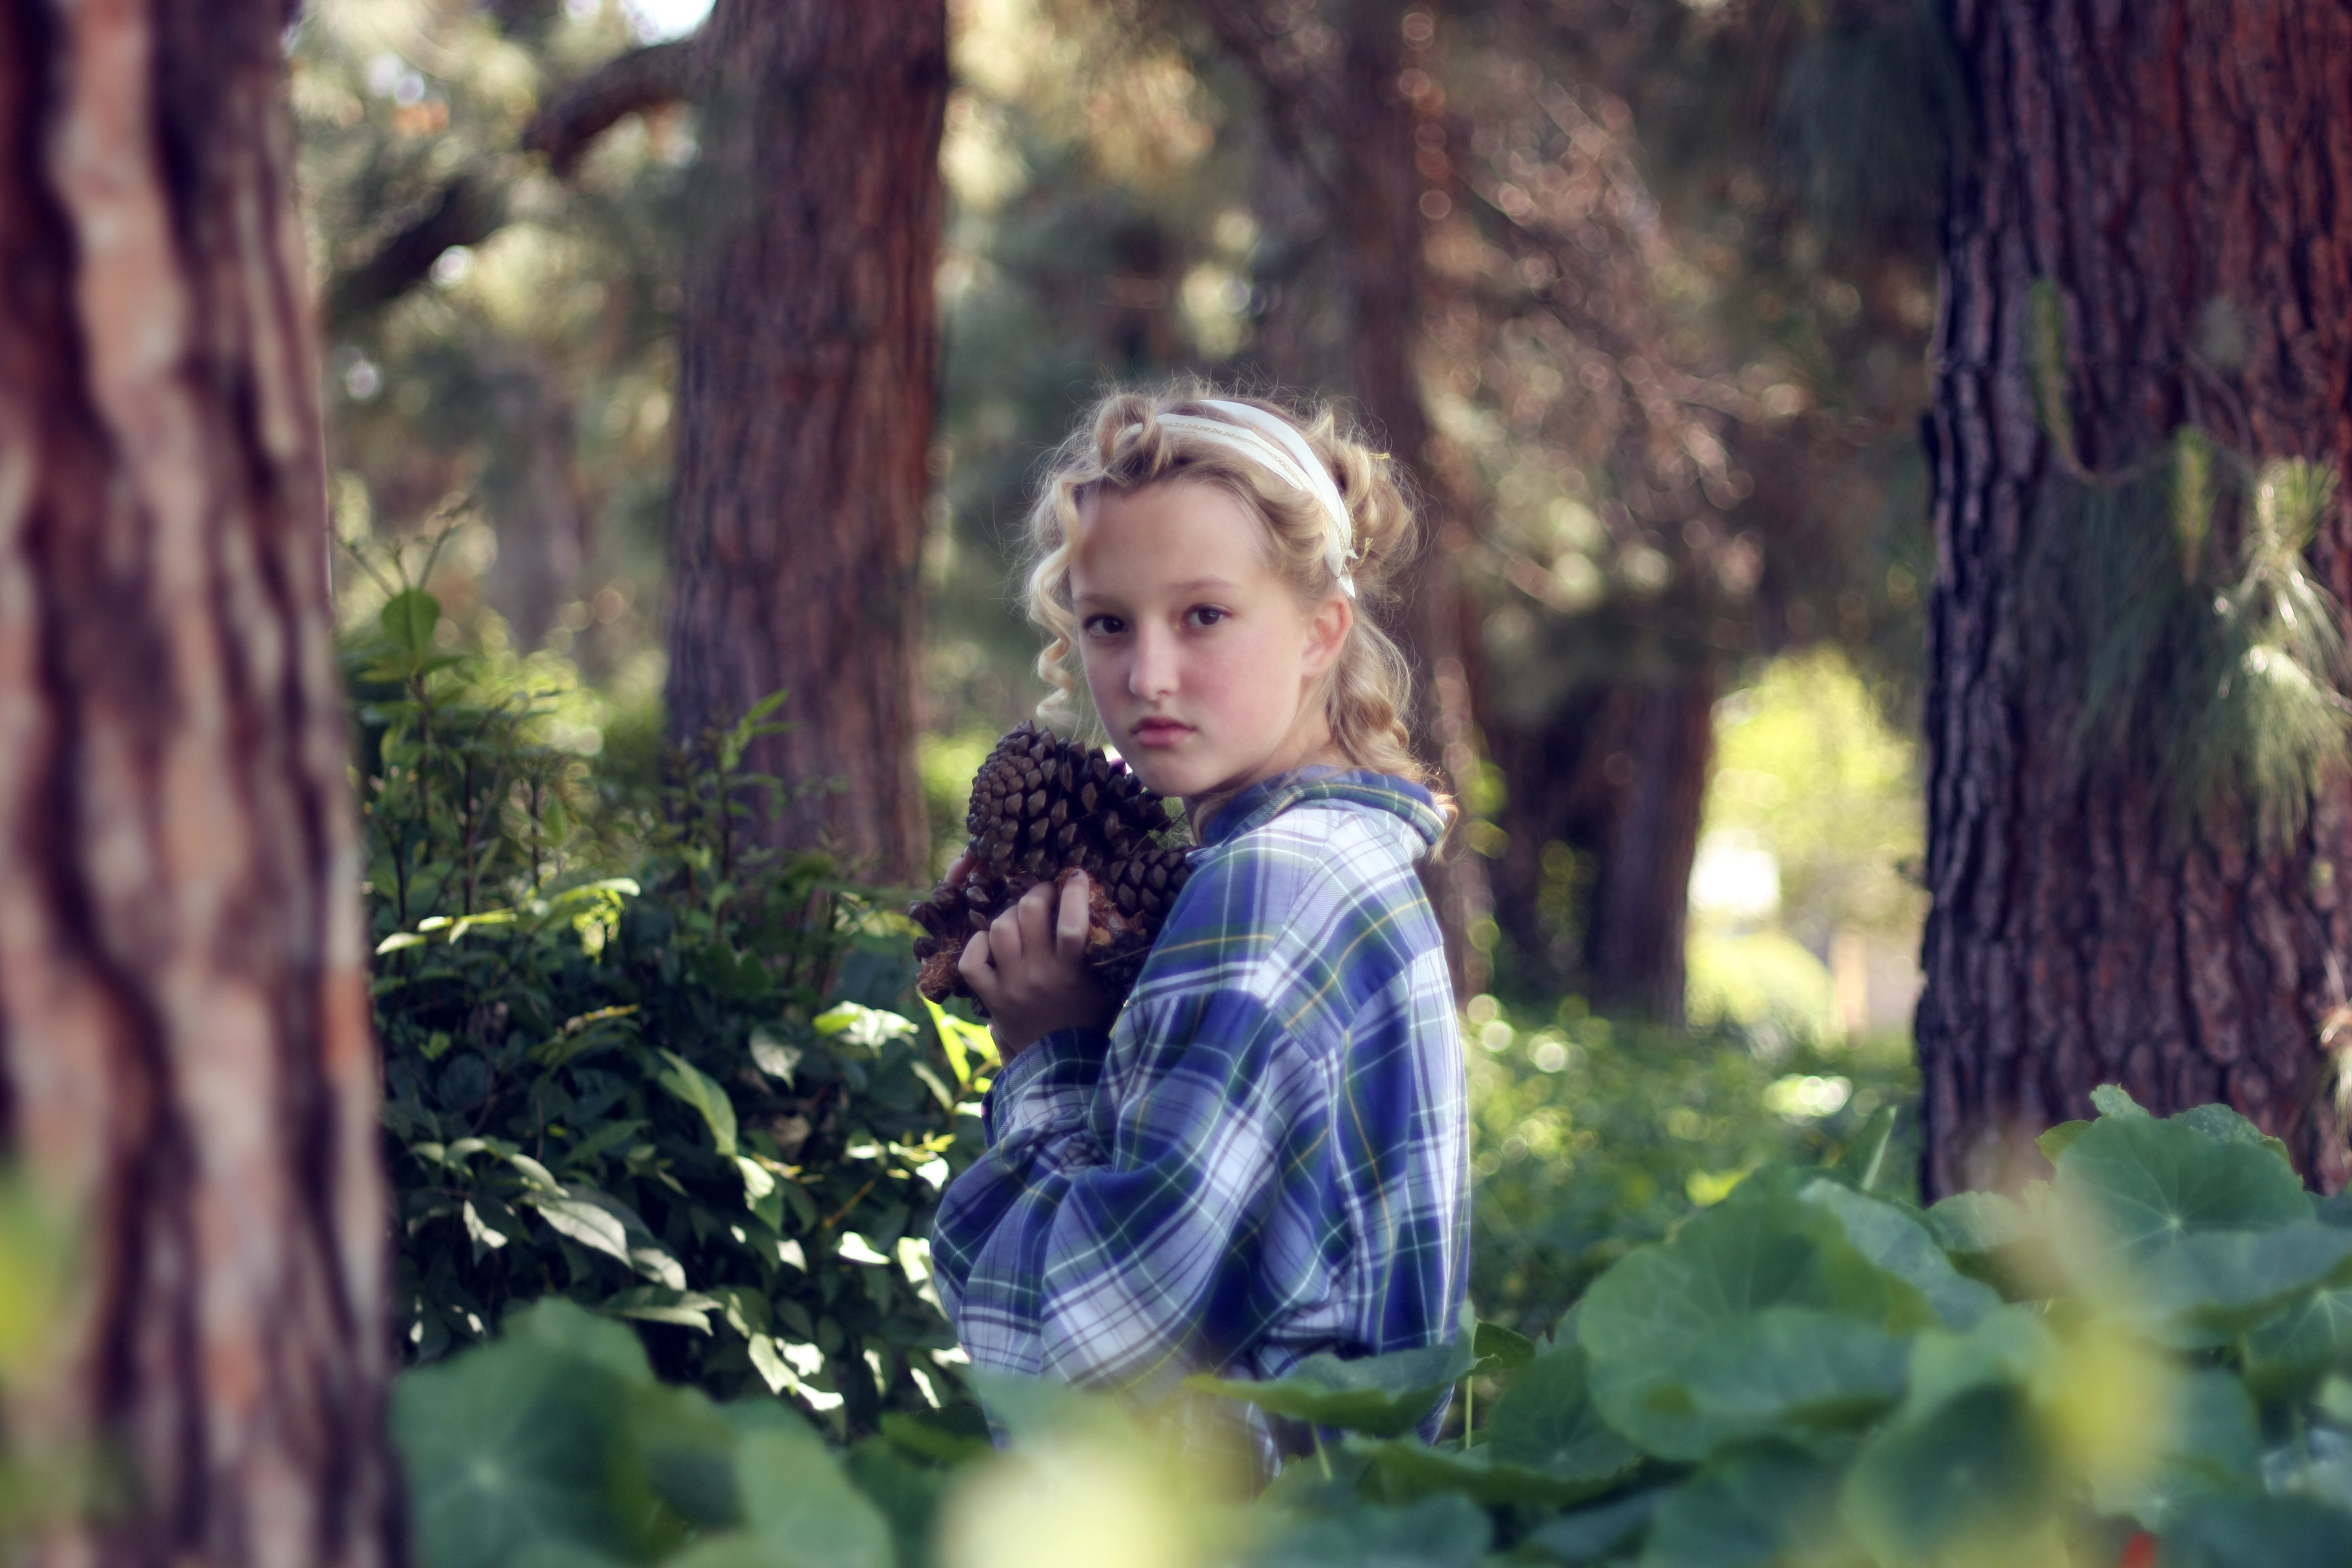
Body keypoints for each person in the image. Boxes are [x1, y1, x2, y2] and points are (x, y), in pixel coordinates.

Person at [927, 387, 1469, 1466]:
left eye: (1204, 615)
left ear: (1323, 631)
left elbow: (1072, 1380)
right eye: (1108, 622)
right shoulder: (1348, 857)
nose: (1147, 675)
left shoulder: (1266, 884)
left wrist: (1051, 1050)